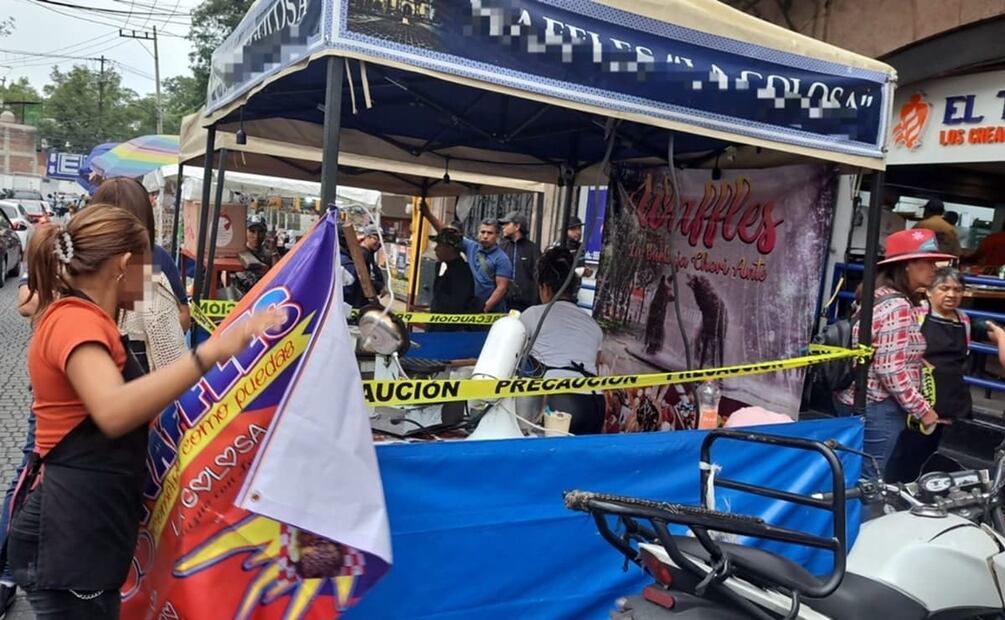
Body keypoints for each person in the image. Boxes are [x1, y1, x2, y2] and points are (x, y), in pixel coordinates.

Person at [7, 207, 281, 619]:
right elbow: (114, 410)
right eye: (149, 270)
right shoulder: (74, 322)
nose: (152, 283)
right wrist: (213, 353)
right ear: (123, 265)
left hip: (87, 530)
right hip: (73, 536)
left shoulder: (87, 319)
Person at [833, 229, 949, 480]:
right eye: (927, 262)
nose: (933, 269)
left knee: (848, 473)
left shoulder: (874, 296)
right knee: (867, 479)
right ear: (907, 266)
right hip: (879, 408)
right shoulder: (898, 306)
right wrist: (922, 409)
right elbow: (890, 370)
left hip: (852, 398)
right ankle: (858, 521)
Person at [92, 178, 188, 371]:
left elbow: (183, 313)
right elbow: (176, 365)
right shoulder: (143, 276)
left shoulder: (74, 272)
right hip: (142, 388)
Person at [886, 267, 971, 483]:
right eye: (944, 288)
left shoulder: (964, 321)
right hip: (920, 396)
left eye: (957, 290)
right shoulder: (918, 314)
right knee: (906, 449)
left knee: (933, 451)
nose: (951, 295)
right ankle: (896, 490)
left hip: (950, 397)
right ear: (929, 292)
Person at [518, 247, 605, 434]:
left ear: (545, 288)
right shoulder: (593, 325)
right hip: (594, 402)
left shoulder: (533, 315)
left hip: (557, 400)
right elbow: (595, 365)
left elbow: (512, 358)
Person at [420, 203, 512, 313]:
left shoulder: (502, 258)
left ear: (497, 235)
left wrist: (485, 309)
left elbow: (501, 288)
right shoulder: (472, 247)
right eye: (483, 232)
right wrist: (428, 215)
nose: (485, 236)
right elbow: (448, 234)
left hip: (490, 311)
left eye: (490, 233)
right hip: (471, 307)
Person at [428, 227, 476, 322]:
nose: (435, 249)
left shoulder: (461, 272)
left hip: (448, 328)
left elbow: (456, 305)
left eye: (439, 245)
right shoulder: (446, 266)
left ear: (450, 248)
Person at [498, 210, 541, 311]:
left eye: (507, 223)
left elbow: (537, 277)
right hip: (503, 303)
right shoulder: (501, 248)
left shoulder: (533, 249)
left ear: (517, 227)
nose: (503, 227)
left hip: (525, 306)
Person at [358, 224, 386, 298]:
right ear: (367, 237)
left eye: (380, 240)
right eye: (376, 238)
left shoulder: (370, 252)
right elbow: (363, 278)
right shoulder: (362, 254)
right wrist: (379, 287)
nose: (378, 242)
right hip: (361, 298)